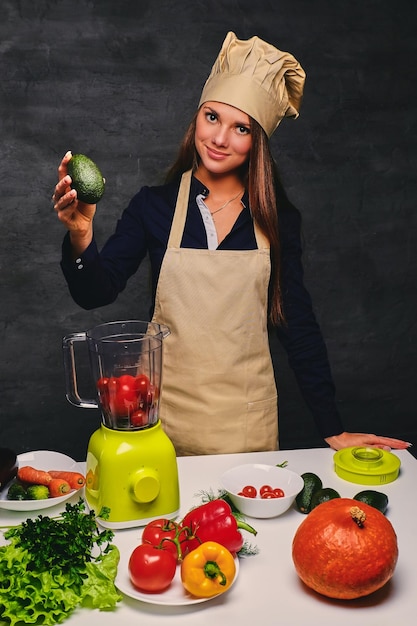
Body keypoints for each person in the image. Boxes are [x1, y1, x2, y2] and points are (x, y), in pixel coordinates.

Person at [53, 31, 411, 456]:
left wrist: (332, 428)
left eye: (240, 128)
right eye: (211, 118)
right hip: (162, 425)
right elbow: (96, 291)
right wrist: (81, 234)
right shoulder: (155, 206)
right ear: (196, 118)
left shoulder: (277, 218)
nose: (219, 139)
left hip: (246, 428)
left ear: (257, 140)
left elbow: (296, 325)